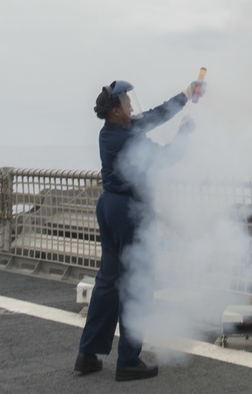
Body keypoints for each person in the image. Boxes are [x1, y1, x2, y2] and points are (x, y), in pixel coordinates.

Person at [74, 76, 203, 382]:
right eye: (127, 102)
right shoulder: (126, 137)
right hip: (127, 212)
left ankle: (87, 354)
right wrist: (184, 134)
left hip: (109, 206)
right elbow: (165, 157)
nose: (131, 106)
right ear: (116, 111)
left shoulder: (114, 130)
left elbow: (157, 114)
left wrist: (187, 93)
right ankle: (128, 360)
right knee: (138, 282)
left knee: (108, 282)